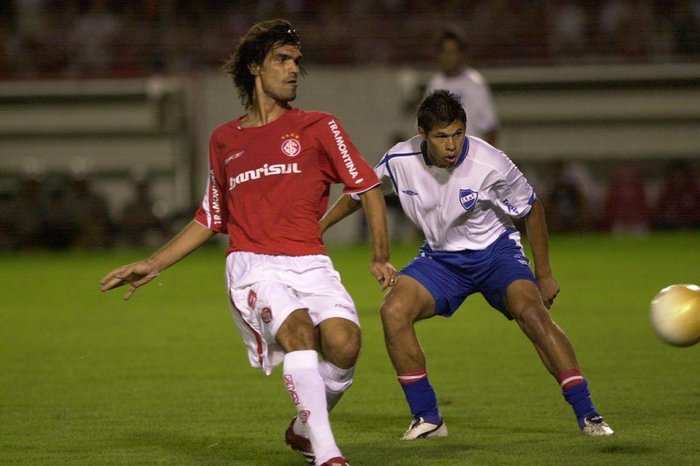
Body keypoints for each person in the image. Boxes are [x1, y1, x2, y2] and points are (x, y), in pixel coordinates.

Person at [100, 19, 396, 466]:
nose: (294, 69)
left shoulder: (319, 127)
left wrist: (380, 255)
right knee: (299, 333)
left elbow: (367, 186)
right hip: (254, 265)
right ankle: (328, 454)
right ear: (255, 67)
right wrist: (155, 262)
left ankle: (303, 430)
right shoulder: (224, 140)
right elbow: (211, 217)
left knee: (345, 343)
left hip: (311, 263)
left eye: (297, 60)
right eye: (282, 59)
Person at [320, 90, 614, 441]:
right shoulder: (400, 159)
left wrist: (544, 273)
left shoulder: (490, 163)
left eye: (457, 133)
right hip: (440, 259)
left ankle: (588, 413)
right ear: (422, 133)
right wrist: (317, 229)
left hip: (496, 253)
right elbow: (359, 192)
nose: (452, 145)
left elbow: (531, 210)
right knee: (393, 311)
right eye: (441, 136)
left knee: (532, 313)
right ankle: (428, 418)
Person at [425, 29, 499, 145]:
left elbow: (489, 127)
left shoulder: (475, 84)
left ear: (461, 54)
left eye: (452, 52)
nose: (448, 57)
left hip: (469, 156)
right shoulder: (434, 84)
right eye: (445, 52)